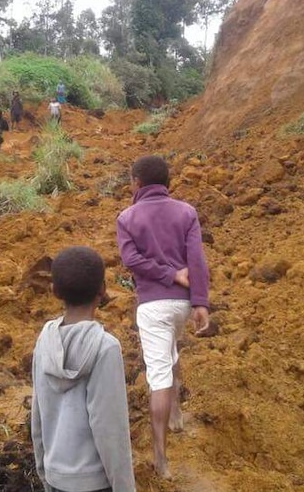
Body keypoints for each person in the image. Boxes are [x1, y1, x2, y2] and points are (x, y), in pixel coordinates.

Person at [115, 155, 210, 479]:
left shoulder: (127, 217)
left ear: (137, 183)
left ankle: (161, 458)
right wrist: (201, 303)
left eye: (130, 180)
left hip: (153, 306)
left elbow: (131, 261)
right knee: (170, 351)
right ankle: (177, 416)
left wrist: (166, 275)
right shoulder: (187, 212)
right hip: (182, 305)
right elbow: (196, 260)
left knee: (158, 376)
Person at [31, 246, 136, 492]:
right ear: (102, 289)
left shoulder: (44, 341)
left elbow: (37, 415)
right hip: (95, 483)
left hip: (56, 478)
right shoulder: (105, 348)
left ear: (54, 290)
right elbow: (110, 429)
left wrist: (44, 472)